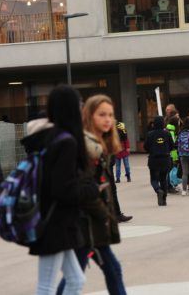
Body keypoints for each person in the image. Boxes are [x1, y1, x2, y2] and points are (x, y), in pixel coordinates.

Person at [58, 94, 127, 295]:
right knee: (84, 275)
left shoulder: (96, 143)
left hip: (90, 225)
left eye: (111, 115)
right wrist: (104, 214)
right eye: (102, 114)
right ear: (89, 116)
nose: (108, 119)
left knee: (104, 271)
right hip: (86, 226)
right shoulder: (86, 147)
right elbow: (83, 189)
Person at [22, 86, 86, 294]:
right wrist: (89, 192)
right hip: (55, 223)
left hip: (54, 220)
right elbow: (62, 188)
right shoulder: (65, 142)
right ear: (71, 108)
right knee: (46, 286)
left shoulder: (51, 138)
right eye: (79, 104)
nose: (82, 108)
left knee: (75, 280)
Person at [144, 116, 174, 206]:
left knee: (154, 179)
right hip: (165, 159)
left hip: (154, 159)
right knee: (163, 179)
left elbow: (145, 147)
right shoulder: (167, 133)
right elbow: (172, 146)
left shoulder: (150, 134)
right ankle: (164, 200)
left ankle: (158, 190)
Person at [166, 115, 181, 193]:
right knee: (171, 169)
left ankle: (171, 184)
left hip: (171, 153)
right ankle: (171, 185)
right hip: (172, 153)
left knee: (171, 169)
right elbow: (172, 143)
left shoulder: (169, 129)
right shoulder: (171, 131)